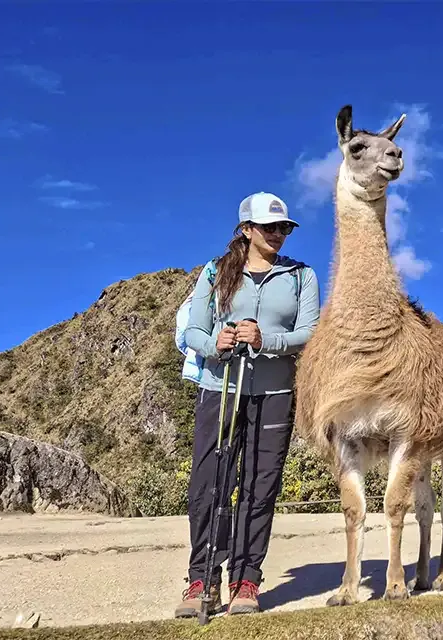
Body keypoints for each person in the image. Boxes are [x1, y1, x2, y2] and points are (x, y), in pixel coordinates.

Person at [174, 192, 320, 617]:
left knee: (260, 486)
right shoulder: (215, 272)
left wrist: (267, 340)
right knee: (209, 483)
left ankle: (246, 580)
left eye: (284, 228)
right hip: (219, 388)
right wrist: (214, 344)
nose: (278, 234)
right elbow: (195, 331)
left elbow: (310, 332)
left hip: (275, 394)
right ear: (246, 230)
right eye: (270, 227)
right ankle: (202, 577)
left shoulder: (301, 276)